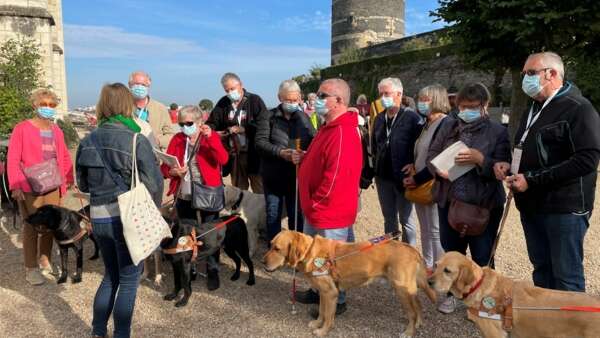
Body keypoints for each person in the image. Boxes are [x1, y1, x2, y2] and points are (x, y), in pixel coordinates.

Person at [498, 52, 600, 292]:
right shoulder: (533, 107)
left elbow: (587, 159)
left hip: (563, 208)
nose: (525, 78)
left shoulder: (578, 108)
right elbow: (526, 147)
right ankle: (546, 324)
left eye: (530, 73)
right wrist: (511, 167)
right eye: (524, 74)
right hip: (532, 205)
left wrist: (531, 179)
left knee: (566, 276)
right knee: (541, 269)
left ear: (552, 74)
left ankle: (571, 329)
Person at [76, 83, 163, 338]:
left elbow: (82, 183)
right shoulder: (136, 138)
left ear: (102, 105)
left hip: (99, 217)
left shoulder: (88, 140)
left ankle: (97, 330)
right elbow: (155, 182)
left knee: (110, 276)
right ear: (127, 105)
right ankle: (121, 334)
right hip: (127, 219)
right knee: (128, 280)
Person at [427, 82, 510, 313]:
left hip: (483, 204)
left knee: (483, 257)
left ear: (485, 106)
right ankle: (453, 294)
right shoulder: (448, 125)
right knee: (452, 252)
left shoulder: (498, 131)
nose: (466, 111)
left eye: (472, 106)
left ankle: (487, 302)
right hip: (449, 201)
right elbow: (432, 154)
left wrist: (480, 159)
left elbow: (503, 168)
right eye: (462, 106)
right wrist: (437, 169)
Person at [293, 78, 362, 318]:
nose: (317, 99)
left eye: (323, 96)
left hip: (328, 211)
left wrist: (314, 204)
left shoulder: (342, 131)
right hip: (317, 209)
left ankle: (335, 299)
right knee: (316, 256)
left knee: (330, 258)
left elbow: (335, 178)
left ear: (339, 101)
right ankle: (317, 289)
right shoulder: (328, 126)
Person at [7, 88, 74, 286]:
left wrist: (68, 178)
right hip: (29, 185)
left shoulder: (57, 130)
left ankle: (45, 260)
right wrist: (15, 185)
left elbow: (63, 156)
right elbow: (13, 158)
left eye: (51, 105)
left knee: (50, 225)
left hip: (52, 184)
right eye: (43, 104)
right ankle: (31, 268)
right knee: (31, 227)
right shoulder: (22, 128)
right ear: (34, 105)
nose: (48, 108)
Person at [161, 105, 228, 290]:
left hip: (208, 192)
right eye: (181, 123)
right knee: (186, 232)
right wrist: (172, 171)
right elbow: (164, 166)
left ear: (200, 122)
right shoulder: (177, 138)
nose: (184, 127)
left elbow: (223, 159)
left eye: (189, 123)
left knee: (210, 232)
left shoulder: (210, 137)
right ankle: (188, 266)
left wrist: (210, 138)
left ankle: (213, 269)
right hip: (184, 193)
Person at [255, 80, 315, 242]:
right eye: (288, 100)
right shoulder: (268, 116)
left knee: (297, 213)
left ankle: (296, 246)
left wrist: (304, 154)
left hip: (295, 177)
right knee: (273, 213)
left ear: (300, 98)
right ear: (279, 98)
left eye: (295, 100)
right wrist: (281, 152)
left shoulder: (304, 118)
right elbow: (260, 143)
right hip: (273, 176)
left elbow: (313, 141)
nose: (292, 103)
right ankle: (275, 248)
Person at [402, 84, 450, 274]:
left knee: (436, 230)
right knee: (425, 227)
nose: (421, 103)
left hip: (432, 182)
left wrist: (418, 178)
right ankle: (428, 264)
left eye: (425, 99)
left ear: (437, 100)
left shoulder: (445, 123)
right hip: (420, 180)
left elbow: (439, 159)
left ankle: (439, 267)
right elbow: (421, 152)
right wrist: (412, 167)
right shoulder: (426, 123)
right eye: (420, 99)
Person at [371, 77, 421, 246]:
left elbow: (420, 145)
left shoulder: (412, 118)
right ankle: (391, 253)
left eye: (386, 93)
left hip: (403, 176)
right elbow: (374, 145)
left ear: (399, 94)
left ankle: (409, 253)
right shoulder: (378, 119)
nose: (382, 97)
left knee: (406, 219)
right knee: (388, 218)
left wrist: (414, 164)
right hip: (383, 177)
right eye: (380, 94)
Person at [207, 72, 267, 193]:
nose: (230, 93)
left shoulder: (255, 100)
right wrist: (212, 131)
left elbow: (264, 124)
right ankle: (239, 212)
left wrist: (244, 129)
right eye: (227, 90)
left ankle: (262, 211)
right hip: (235, 155)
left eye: (232, 89)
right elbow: (212, 122)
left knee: (260, 189)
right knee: (238, 191)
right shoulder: (223, 103)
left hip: (254, 154)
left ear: (240, 85)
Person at [128, 70, 174, 150]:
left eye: (143, 85)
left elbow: (170, 135)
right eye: (136, 84)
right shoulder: (123, 107)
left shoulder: (160, 108)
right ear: (129, 85)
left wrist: (158, 141)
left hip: (153, 156)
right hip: (129, 155)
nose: (139, 87)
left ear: (148, 86)